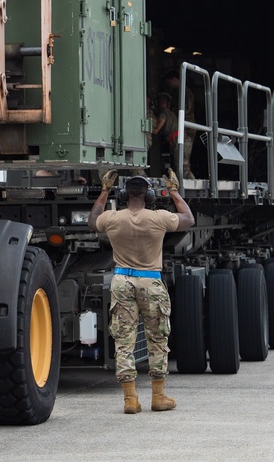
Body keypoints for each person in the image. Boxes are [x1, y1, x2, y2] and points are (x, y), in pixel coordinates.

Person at [88, 169, 195, 414]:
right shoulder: (158, 217)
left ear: (124, 195)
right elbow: (188, 219)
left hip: (122, 281)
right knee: (157, 339)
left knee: (124, 341)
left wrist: (104, 191)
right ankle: (158, 396)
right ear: (149, 197)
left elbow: (93, 220)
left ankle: (130, 400)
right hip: (150, 282)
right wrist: (175, 192)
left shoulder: (113, 218)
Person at [165, 70, 197, 179]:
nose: (169, 85)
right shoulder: (179, 92)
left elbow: (186, 109)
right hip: (184, 126)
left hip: (186, 127)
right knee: (180, 156)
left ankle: (189, 180)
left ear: (175, 79)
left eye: (169, 82)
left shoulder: (185, 92)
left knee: (183, 157)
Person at [151, 92, 179, 172]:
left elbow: (156, 130)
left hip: (176, 141)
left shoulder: (163, 114)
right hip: (181, 139)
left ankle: (189, 183)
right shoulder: (172, 114)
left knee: (182, 167)